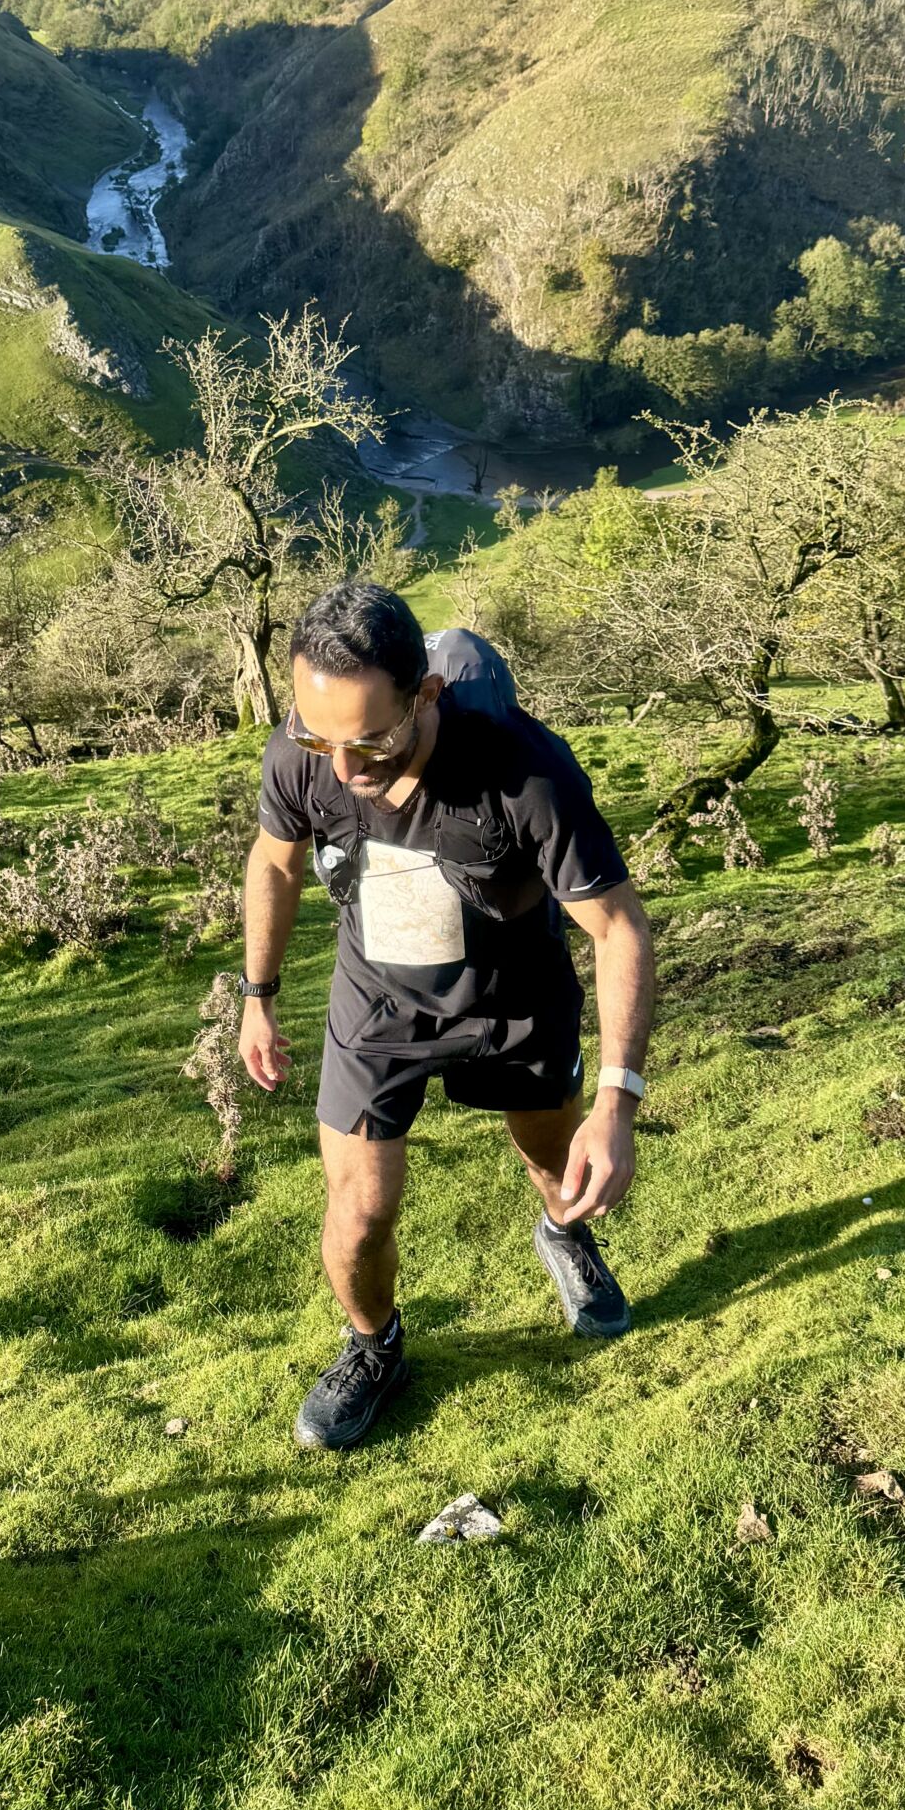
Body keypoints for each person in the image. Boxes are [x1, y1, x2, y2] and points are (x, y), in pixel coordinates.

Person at [238, 582, 656, 1451]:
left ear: (425, 693)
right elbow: (275, 865)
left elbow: (618, 929)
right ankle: (375, 1348)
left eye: (373, 740)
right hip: (378, 1002)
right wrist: (258, 996)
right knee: (358, 1210)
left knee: (559, 1165)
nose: (344, 770)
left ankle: (562, 1236)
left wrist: (617, 1101)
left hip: (514, 999)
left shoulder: (524, 771)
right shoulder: (302, 754)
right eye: (322, 738)